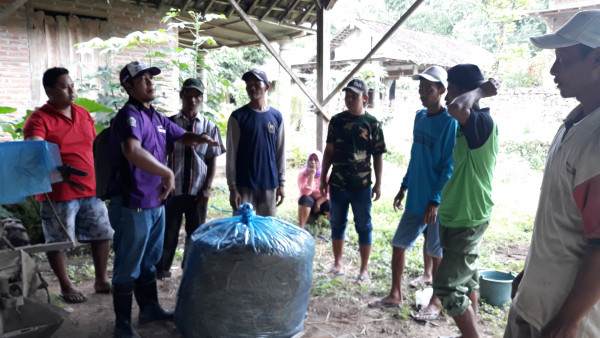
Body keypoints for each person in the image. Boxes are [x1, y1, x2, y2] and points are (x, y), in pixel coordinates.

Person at [505, 10, 600, 338]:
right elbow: (562, 221)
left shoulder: (598, 141)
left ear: (597, 59)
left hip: (563, 319)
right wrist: (530, 272)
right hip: (538, 301)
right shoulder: (576, 122)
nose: (553, 69)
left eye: (564, 59)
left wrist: (568, 320)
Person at [107, 61, 219, 338]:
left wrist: (201, 137)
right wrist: (167, 171)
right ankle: (122, 326)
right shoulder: (128, 116)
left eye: (151, 77)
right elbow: (132, 150)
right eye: (143, 79)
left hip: (156, 203)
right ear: (128, 86)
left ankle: (149, 309)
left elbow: (182, 136)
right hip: (134, 204)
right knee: (128, 265)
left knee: (149, 261)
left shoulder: (156, 118)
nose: (150, 82)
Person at [368, 66, 456, 314]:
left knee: (435, 251)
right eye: (420, 88)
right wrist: (404, 185)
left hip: (435, 202)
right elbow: (416, 156)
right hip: (416, 197)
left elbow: (449, 165)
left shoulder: (450, 123)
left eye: (428, 89)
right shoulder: (419, 116)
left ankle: (436, 302)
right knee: (399, 244)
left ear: (442, 90)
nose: (423, 93)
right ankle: (395, 295)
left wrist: (436, 199)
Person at [23, 67, 114, 304]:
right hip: (59, 191)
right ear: (49, 90)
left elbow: (93, 144)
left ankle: (101, 279)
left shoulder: (83, 113)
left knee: (103, 233)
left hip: (91, 187)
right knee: (59, 240)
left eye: (72, 85)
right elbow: (34, 146)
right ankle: (66, 285)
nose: (72, 90)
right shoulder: (39, 118)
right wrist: (51, 162)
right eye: (65, 87)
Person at [429, 64, 499, 338]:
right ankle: (471, 331)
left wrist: (481, 91)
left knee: (447, 286)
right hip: (457, 213)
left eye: (451, 87)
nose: (447, 94)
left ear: (461, 90)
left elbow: (456, 107)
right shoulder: (469, 123)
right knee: (467, 279)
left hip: (469, 216)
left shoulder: (480, 122)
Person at [155, 78, 225, 280]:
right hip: (174, 189)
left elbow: (212, 159)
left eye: (197, 96)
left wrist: (207, 188)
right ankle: (162, 270)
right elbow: (162, 155)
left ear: (201, 99)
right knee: (168, 233)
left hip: (198, 189)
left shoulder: (209, 126)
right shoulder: (169, 123)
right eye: (189, 94)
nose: (193, 99)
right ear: (182, 96)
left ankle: (191, 270)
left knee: (196, 234)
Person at [319, 78, 387, 285]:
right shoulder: (337, 121)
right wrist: (323, 177)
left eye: (354, 96)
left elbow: (378, 155)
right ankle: (337, 264)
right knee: (337, 224)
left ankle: (364, 270)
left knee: (364, 226)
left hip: (362, 186)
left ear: (365, 98)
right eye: (347, 95)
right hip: (338, 184)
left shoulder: (373, 124)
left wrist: (378, 183)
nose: (349, 99)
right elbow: (329, 151)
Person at [226, 69, 285, 217]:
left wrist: (282, 183)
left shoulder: (276, 117)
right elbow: (231, 155)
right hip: (244, 185)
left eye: (256, 83)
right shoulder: (238, 117)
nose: (252, 88)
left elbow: (280, 152)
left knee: (267, 232)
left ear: (267, 86)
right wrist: (233, 188)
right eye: (248, 84)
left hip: (269, 185)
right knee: (242, 234)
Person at [297, 150, 330, 228]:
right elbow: (305, 192)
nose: (312, 162)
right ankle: (301, 227)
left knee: (332, 204)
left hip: (322, 203)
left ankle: (336, 231)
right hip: (308, 204)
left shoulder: (326, 174)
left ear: (320, 162)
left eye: (316, 160)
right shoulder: (303, 173)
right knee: (305, 198)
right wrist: (311, 175)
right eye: (310, 159)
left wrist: (318, 202)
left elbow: (331, 192)